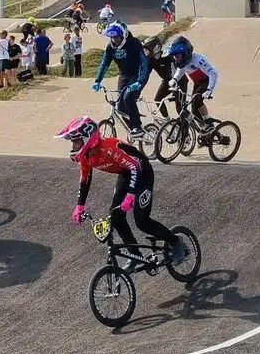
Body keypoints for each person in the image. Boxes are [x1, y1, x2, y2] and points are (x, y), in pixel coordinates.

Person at [58, 116, 185, 267]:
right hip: (126, 173)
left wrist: (131, 195)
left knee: (142, 221)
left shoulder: (108, 148)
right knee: (116, 216)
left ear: (87, 139)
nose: (74, 146)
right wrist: (79, 205)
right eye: (73, 142)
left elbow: (135, 167)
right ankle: (135, 254)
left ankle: (175, 241)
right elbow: (85, 179)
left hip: (141, 172)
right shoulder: (86, 156)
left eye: (76, 141)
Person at [92, 21, 150, 138]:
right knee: (120, 107)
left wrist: (140, 81)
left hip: (137, 74)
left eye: (117, 37)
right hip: (124, 75)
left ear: (123, 35)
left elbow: (144, 63)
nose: (114, 40)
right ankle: (132, 131)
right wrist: (97, 81)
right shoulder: (110, 47)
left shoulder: (134, 43)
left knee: (128, 97)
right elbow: (105, 64)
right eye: (112, 37)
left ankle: (137, 127)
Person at [163, 35, 218, 128]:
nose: (176, 59)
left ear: (186, 53)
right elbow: (180, 70)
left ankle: (208, 123)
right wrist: (174, 79)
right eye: (175, 56)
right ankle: (204, 128)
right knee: (194, 109)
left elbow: (213, 74)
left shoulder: (199, 60)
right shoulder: (183, 62)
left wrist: (209, 90)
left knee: (196, 101)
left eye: (178, 56)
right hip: (197, 83)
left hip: (206, 82)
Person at [143, 37, 186, 117]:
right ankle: (167, 121)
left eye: (147, 49)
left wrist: (174, 92)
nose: (145, 52)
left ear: (155, 49)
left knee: (180, 108)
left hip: (180, 81)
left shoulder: (168, 56)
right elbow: (145, 76)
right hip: (167, 81)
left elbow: (176, 72)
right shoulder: (150, 60)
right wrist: (137, 89)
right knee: (157, 100)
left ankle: (189, 126)